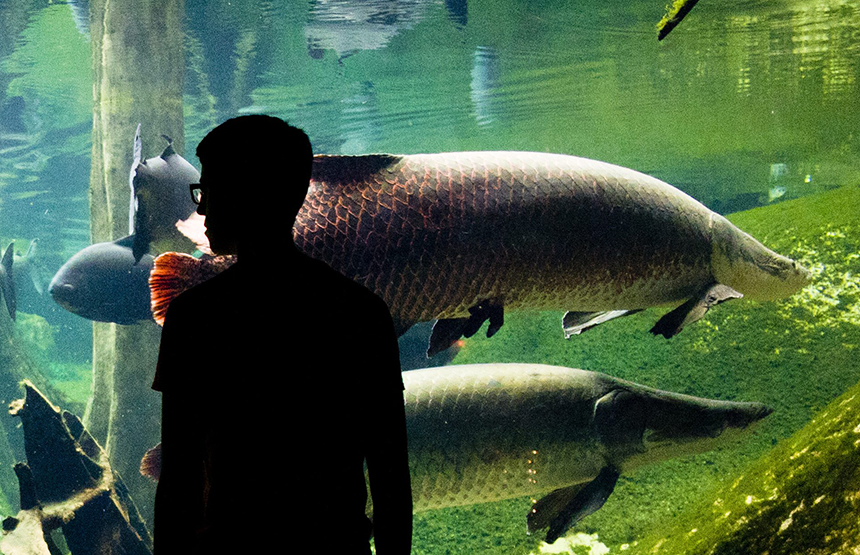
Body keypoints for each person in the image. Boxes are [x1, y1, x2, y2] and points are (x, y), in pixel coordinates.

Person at [152, 115, 412, 554]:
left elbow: (181, 476)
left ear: (245, 197)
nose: (201, 208)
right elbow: (390, 476)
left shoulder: (195, 317)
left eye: (208, 191)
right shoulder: (361, 313)